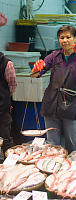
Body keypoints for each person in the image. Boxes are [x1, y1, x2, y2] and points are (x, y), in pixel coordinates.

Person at [32, 25, 76, 154]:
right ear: (58, 40)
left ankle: (71, 170)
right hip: (52, 103)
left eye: (68, 37)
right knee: (52, 145)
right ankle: (53, 169)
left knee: (72, 143)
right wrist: (36, 68)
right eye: (62, 37)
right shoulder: (54, 56)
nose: (65, 40)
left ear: (75, 39)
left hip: (71, 105)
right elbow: (34, 75)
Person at [0, 12, 17, 154]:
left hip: (2, 109)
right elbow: (12, 88)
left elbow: (11, 88)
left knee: (5, 138)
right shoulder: (7, 63)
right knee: (5, 137)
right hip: (2, 107)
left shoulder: (6, 63)